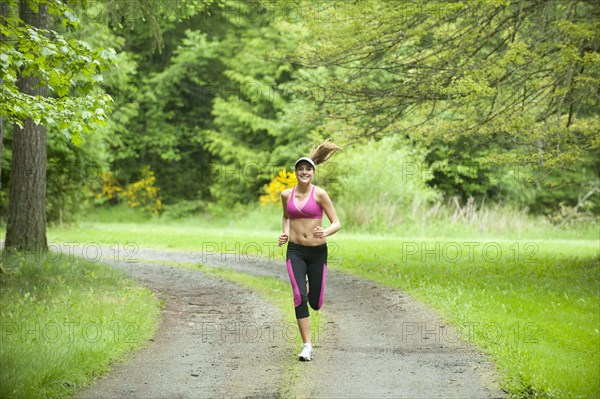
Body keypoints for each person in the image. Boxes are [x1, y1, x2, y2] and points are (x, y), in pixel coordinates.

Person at [278, 140, 342, 361]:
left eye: (308, 169)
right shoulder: (286, 195)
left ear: (313, 173)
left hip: (317, 253)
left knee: (315, 302)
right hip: (295, 251)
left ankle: (309, 289)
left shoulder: (320, 194)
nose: (304, 172)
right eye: (300, 169)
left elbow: (336, 223)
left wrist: (325, 232)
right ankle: (307, 345)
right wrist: (285, 233)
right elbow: (286, 217)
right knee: (298, 296)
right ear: (295, 172)